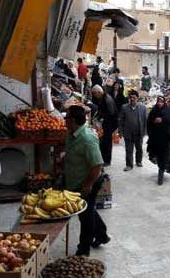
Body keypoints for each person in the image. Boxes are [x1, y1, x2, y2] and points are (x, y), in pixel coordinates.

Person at [64, 105, 110, 256]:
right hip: (76, 180)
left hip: (88, 181)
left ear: (74, 120)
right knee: (87, 211)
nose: (64, 120)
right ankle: (102, 235)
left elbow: (97, 165)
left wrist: (87, 185)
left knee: (85, 216)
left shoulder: (87, 138)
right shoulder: (72, 134)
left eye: (67, 118)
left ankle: (83, 250)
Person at [147, 96, 170, 185]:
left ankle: (161, 174)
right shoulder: (154, 111)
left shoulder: (167, 112)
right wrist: (154, 122)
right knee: (157, 156)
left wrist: (162, 120)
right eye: (158, 102)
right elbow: (149, 122)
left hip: (165, 140)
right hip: (155, 139)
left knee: (163, 157)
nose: (159, 103)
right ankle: (161, 168)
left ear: (164, 103)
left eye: (161, 102)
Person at [118, 90, 147, 172]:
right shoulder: (124, 107)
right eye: (130, 97)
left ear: (137, 98)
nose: (132, 99)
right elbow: (120, 120)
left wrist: (145, 132)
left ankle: (138, 161)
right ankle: (129, 165)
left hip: (139, 133)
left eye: (134, 97)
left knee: (139, 148)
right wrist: (120, 131)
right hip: (128, 132)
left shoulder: (142, 108)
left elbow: (145, 120)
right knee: (129, 150)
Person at [91, 85, 118, 166]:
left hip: (109, 124)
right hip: (106, 124)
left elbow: (111, 113)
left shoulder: (107, 99)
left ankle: (107, 161)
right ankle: (104, 159)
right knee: (104, 142)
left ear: (99, 92)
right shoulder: (104, 97)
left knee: (107, 142)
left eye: (95, 94)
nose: (94, 96)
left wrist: (101, 118)